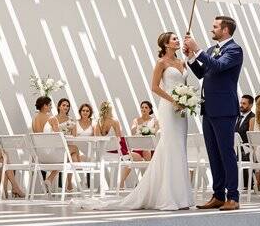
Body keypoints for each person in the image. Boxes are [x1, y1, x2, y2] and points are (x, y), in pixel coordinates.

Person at [78, 32, 195, 211]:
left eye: (178, 39)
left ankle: (182, 197)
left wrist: (186, 99)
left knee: (179, 148)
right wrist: (174, 100)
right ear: (165, 44)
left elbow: (185, 84)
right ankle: (167, 196)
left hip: (182, 110)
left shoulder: (182, 62)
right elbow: (154, 87)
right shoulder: (161, 63)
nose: (177, 40)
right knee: (170, 146)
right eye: (174, 39)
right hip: (169, 108)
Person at [185, 16, 244, 211]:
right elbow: (203, 73)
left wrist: (198, 48)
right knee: (213, 153)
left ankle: (233, 197)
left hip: (225, 109)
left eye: (215, 27)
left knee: (226, 153)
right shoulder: (212, 50)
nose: (212, 30)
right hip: (208, 108)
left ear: (225, 30)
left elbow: (218, 66)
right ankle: (218, 195)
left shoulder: (234, 50)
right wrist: (192, 57)